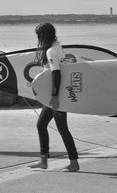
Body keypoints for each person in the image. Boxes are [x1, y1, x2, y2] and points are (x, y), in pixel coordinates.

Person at [29, 22, 80, 172]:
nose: (38, 39)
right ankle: (43, 160)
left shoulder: (51, 51)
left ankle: (74, 162)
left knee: (63, 129)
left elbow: (56, 73)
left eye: (39, 36)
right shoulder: (58, 47)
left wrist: (55, 96)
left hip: (56, 97)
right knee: (41, 125)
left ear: (44, 36)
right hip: (54, 96)